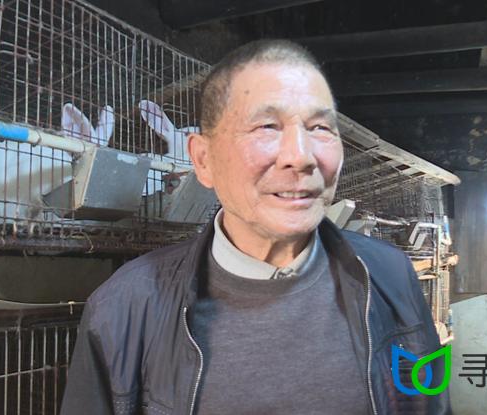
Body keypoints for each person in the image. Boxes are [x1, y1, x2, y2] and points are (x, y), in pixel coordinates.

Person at [61, 39, 450, 415]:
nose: (301, 157)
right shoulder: (123, 307)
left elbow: (427, 400)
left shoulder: (390, 275)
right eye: (267, 126)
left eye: (320, 128)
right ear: (204, 160)